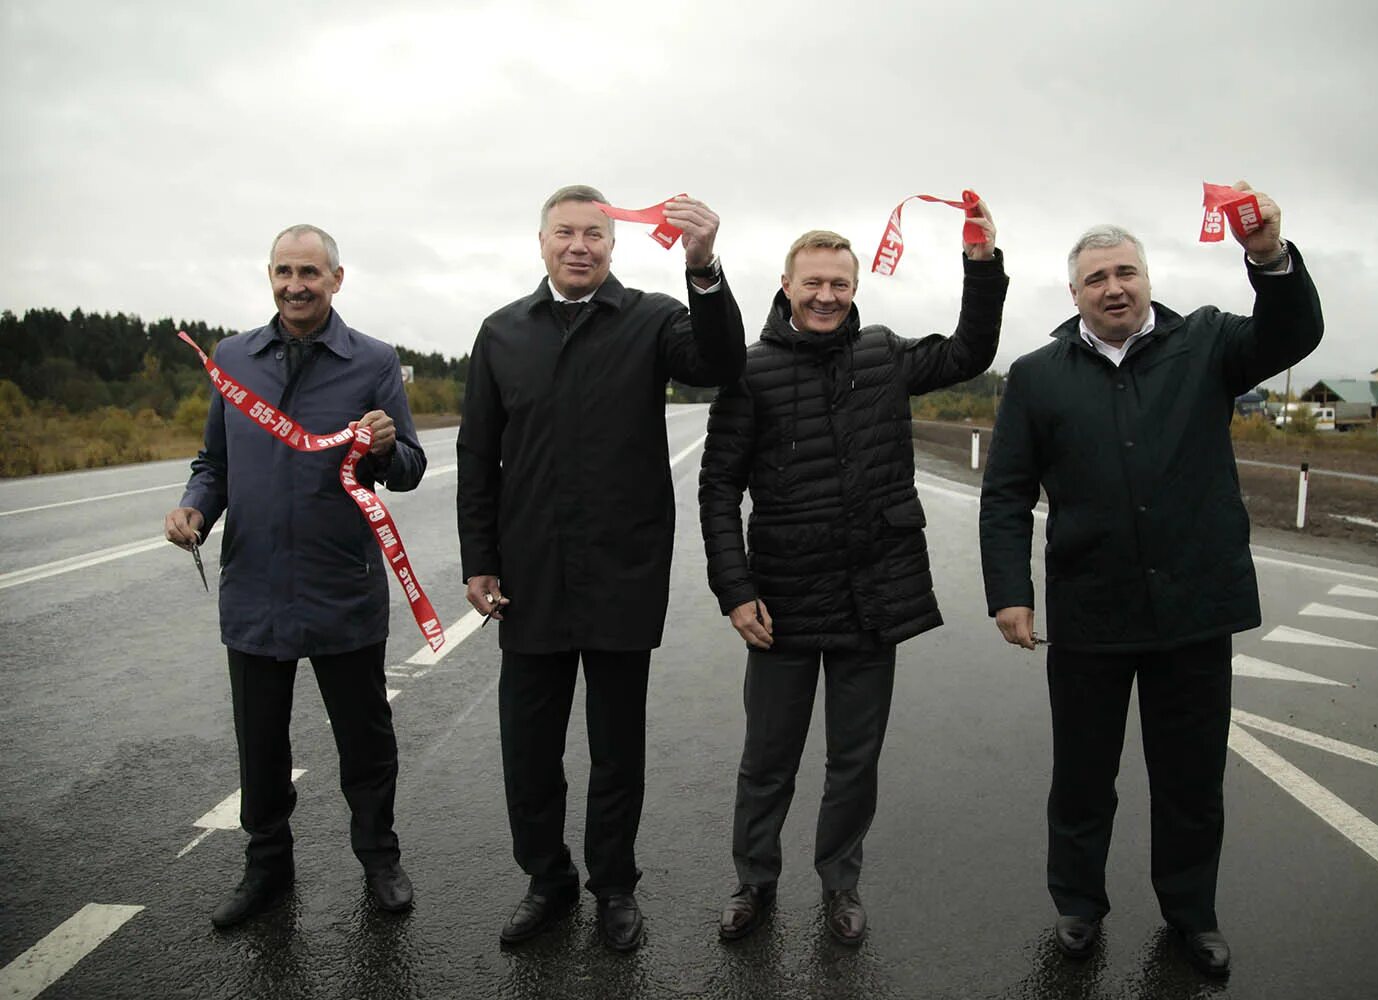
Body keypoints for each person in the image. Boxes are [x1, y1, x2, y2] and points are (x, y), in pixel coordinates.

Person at [979, 182, 1323, 978]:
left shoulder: (1208, 343)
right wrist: (1009, 591)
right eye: (1096, 278)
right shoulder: (1037, 374)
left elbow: (1294, 331)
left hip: (1194, 608)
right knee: (1082, 778)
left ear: (1148, 277)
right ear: (1074, 295)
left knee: (1191, 780)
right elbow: (1006, 491)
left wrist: (1267, 256)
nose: (1114, 288)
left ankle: (1191, 914)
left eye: (1125, 272)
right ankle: (1078, 904)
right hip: (1090, 610)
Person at [698, 212, 1007, 946]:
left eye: (839, 283)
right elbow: (717, 490)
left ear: (856, 285)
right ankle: (754, 882)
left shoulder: (884, 354)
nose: (826, 296)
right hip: (781, 597)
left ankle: (841, 884)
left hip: (874, 594)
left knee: (854, 758)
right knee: (768, 758)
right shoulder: (748, 370)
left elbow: (969, 351)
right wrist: (736, 592)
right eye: (814, 283)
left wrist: (981, 263)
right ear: (786, 285)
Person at [456, 185, 745, 952]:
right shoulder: (502, 332)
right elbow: (477, 455)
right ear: (541, 241)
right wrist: (479, 559)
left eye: (594, 233)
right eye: (564, 233)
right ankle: (546, 880)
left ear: (613, 243)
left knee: (617, 748)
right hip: (530, 575)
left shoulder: (651, 318)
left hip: (622, 568)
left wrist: (705, 265)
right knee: (529, 746)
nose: (579, 245)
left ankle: (614, 886)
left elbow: (718, 364)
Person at [165, 224, 426, 928]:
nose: (295, 285)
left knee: (365, 739)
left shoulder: (371, 360)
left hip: (341, 583)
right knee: (261, 742)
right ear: (269, 276)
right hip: (255, 586)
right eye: (283, 271)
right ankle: (266, 868)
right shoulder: (232, 358)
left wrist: (381, 447)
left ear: (336, 280)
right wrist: (194, 509)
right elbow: (213, 462)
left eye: (310, 272)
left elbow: (409, 466)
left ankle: (379, 859)